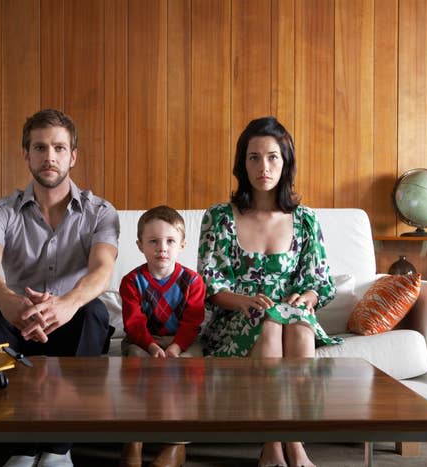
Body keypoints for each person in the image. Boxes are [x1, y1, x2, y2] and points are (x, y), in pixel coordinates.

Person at [0, 108, 120, 467]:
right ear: (26, 155)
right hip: (15, 323)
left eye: (59, 148)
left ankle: (56, 449)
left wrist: (65, 304)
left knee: (95, 312)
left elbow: (102, 271)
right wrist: (10, 302)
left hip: (69, 322)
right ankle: (21, 448)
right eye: (39, 148)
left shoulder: (101, 211)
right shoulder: (1, 210)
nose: (49, 157)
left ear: (73, 155)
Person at [198, 116, 341, 467]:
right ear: (242, 164)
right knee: (269, 324)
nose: (264, 166)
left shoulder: (305, 219)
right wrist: (246, 301)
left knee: (298, 327)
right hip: (238, 317)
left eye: (273, 157)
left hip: (293, 315)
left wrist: (305, 299)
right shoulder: (219, 217)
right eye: (254, 157)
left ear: (286, 162)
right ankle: (276, 443)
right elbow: (211, 284)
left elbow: (319, 281)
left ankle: (289, 440)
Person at [118, 205, 205, 467]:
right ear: (140, 245)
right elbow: (133, 323)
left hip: (182, 340)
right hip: (144, 339)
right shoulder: (132, 281)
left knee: (191, 367)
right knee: (135, 362)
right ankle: (133, 442)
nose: (162, 248)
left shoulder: (193, 281)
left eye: (170, 241)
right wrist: (152, 346)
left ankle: (175, 444)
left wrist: (177, 348)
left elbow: (192, 322)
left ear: (182, 245)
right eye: (153, 241)